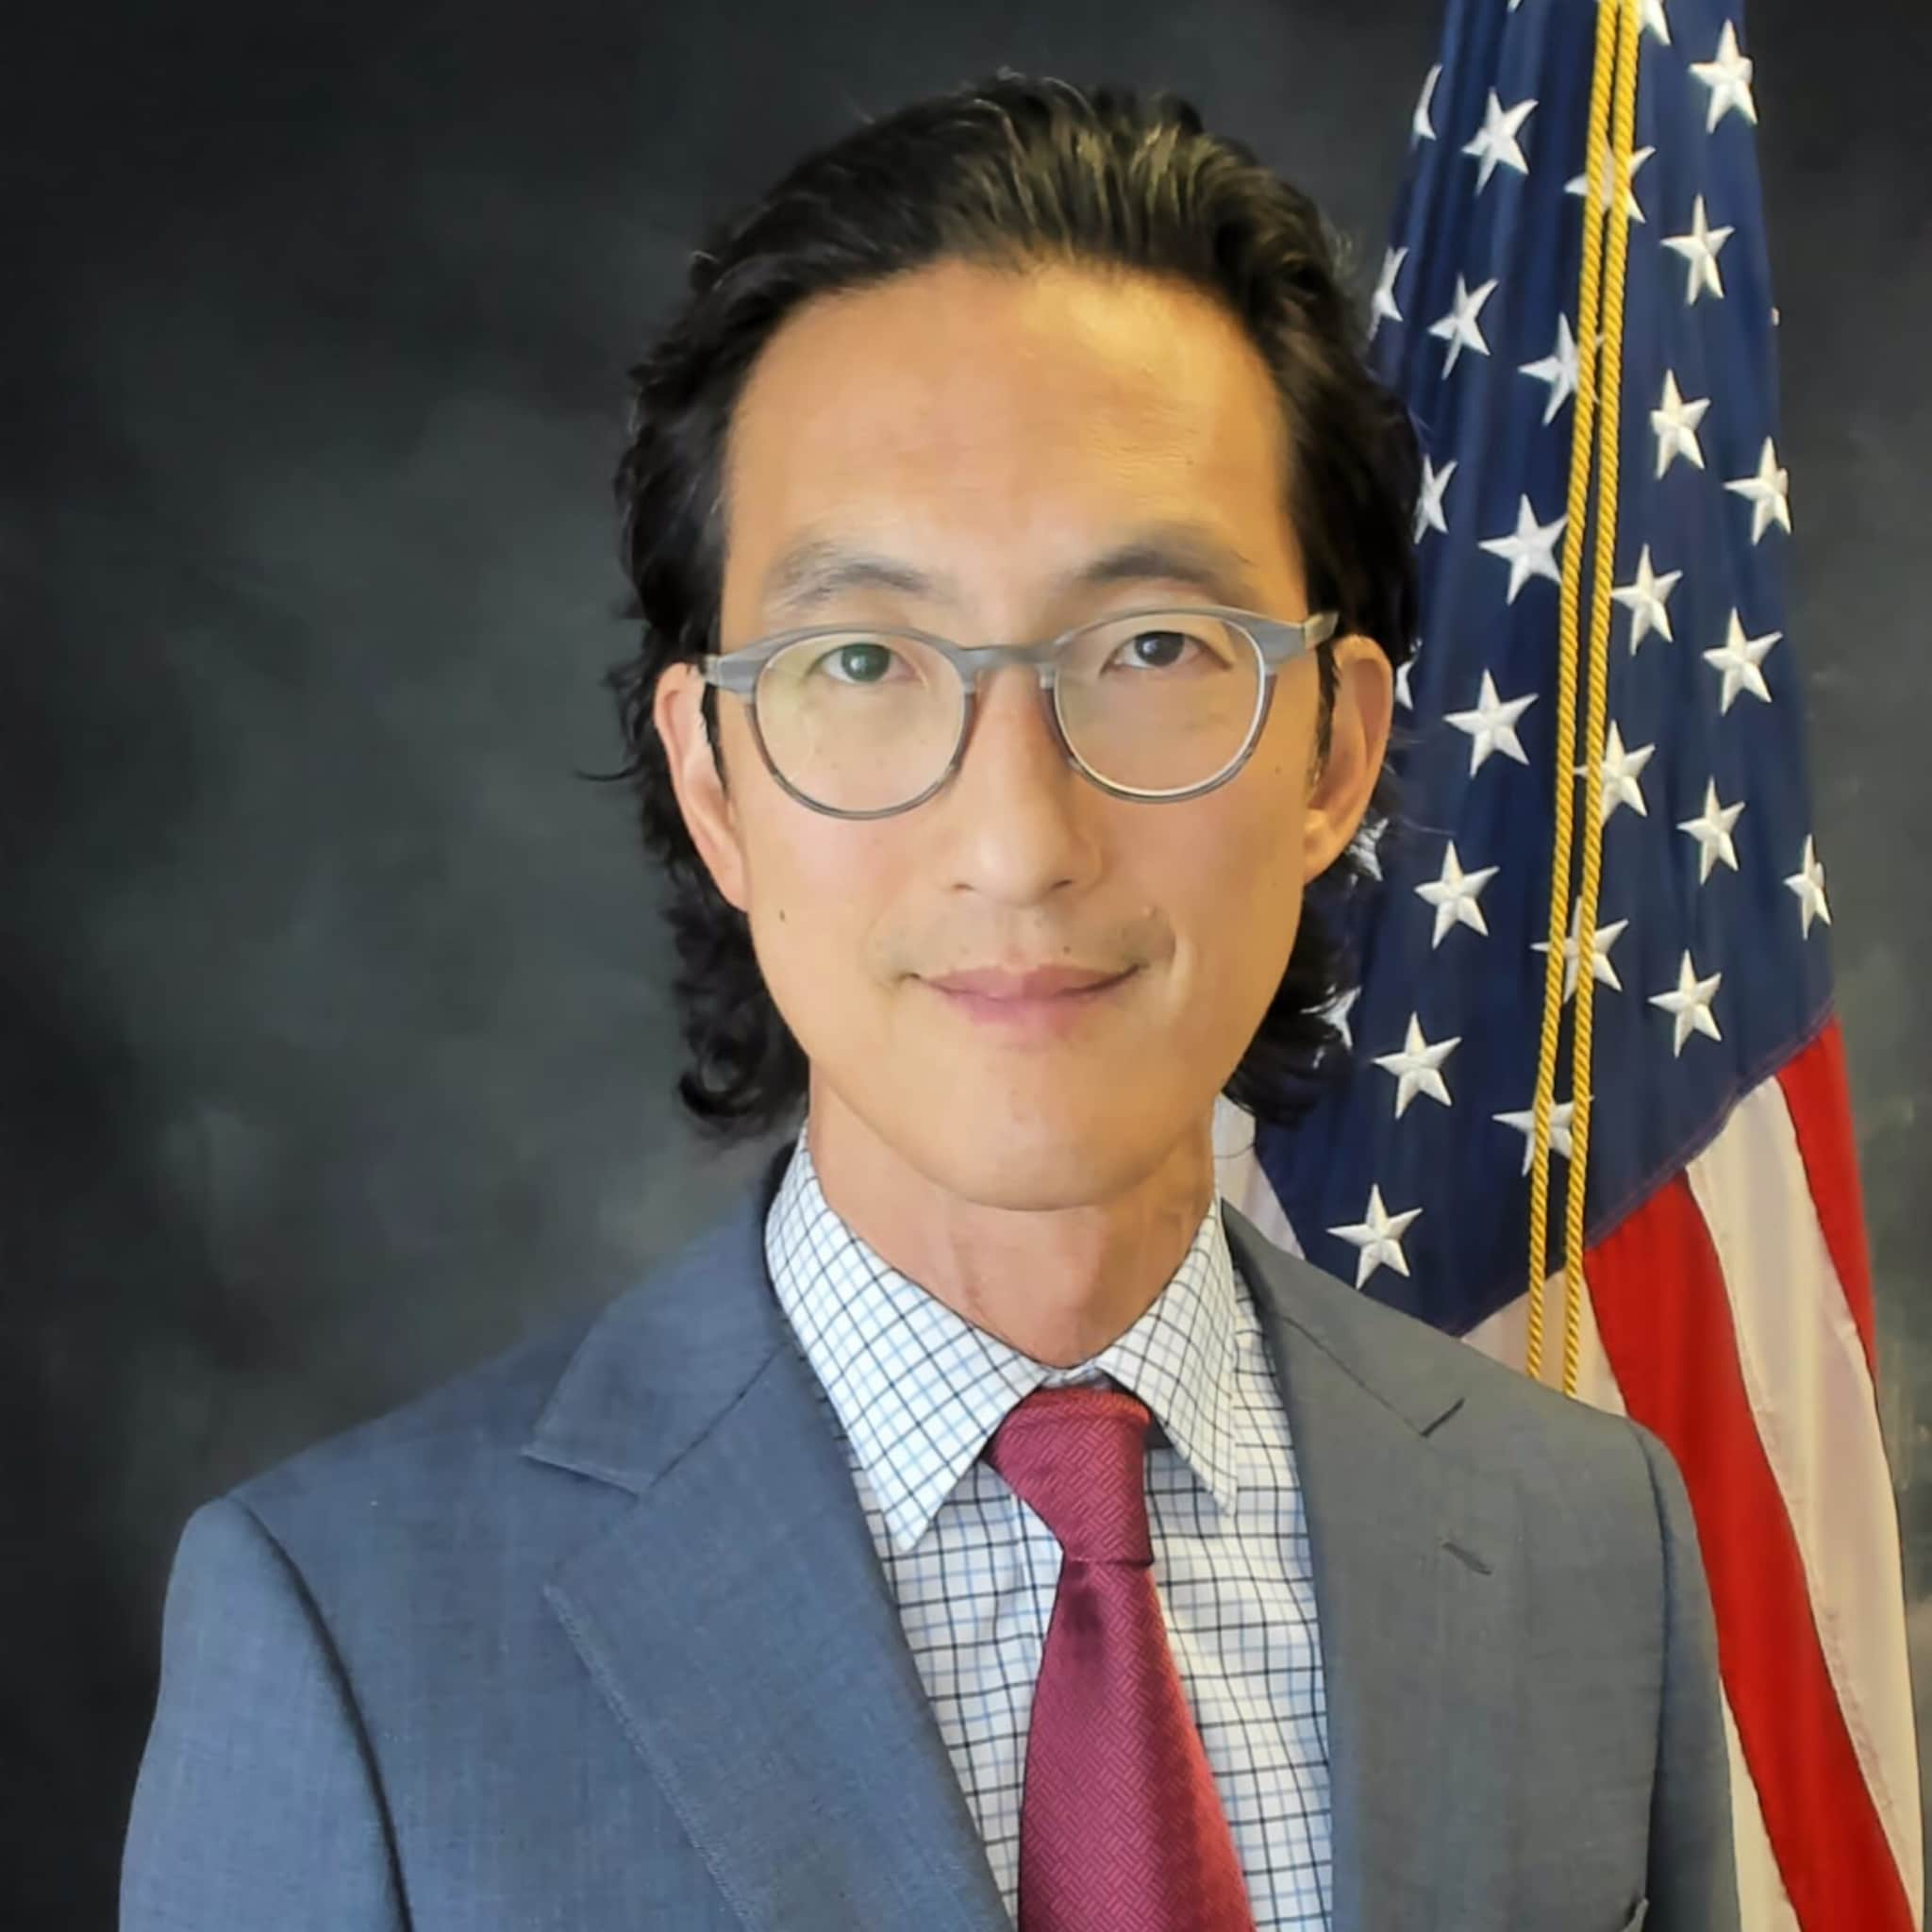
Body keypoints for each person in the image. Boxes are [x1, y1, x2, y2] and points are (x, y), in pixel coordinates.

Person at [121, 72, 1739, 1932]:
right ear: (715, 779)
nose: (1016, 837)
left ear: (1334, 751)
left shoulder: (1587, 1536)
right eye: (866, 658)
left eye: (1148, 648)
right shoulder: (348, 1635)